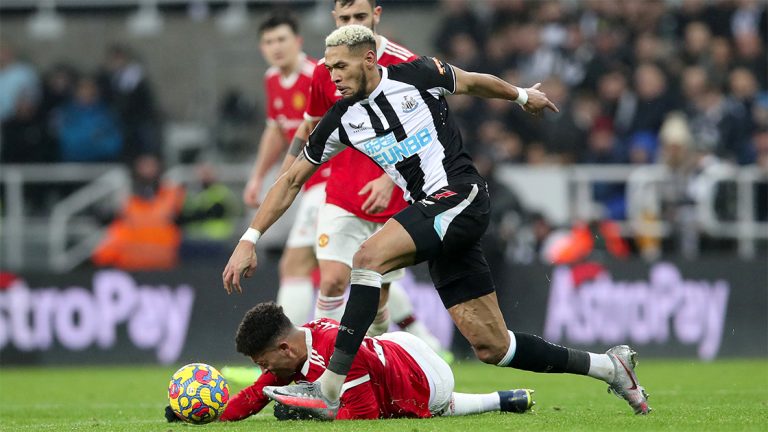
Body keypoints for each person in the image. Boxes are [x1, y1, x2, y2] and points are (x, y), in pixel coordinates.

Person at [222, 25, 651, 419]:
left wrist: (521, 96)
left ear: (369, 59)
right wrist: (250, 237)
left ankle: (330, 386)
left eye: (341, 65)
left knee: (367, 256)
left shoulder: (415, 73)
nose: (332, 75)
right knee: (492, 346)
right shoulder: (340, 119)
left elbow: (472, 81)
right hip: (436, 219)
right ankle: (609, 368)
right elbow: (292, 178)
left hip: (460, 194)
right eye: (329, 67)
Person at [282, 0, 443, 347]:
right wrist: (286, 174)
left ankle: (386, 338)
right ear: (334, 19)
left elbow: (428, 129)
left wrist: (389, 178)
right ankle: (318, 361)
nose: (352, 22)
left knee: (377, 309)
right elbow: (310, 125)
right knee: (332, 282)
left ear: (377, 15)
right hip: (340, 192)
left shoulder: (404, 63)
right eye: (345, 18)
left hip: (393, 197)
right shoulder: (327, 70)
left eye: (360, 16)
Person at [166, 302, 534, 422]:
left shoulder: (336, 354)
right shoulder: (297, 348)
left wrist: (308, 412)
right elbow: (257, 394)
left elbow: (364, 417)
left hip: (429, 374)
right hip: (396, 347)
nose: (265, 373)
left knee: (426, 405)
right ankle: (505, 399)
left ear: (284, 348)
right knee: (324, 395)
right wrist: (204, 414)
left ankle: (496, 399)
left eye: (264, 363)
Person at [241, 13, 328, 324]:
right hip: (311, 185)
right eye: (268, 41)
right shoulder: (272, 79)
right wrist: (258, 177)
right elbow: (277, 131)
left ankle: (283, 345)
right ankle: (421, 335)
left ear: (298, 41)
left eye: (281, 39)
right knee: (360, 266)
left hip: (331, 184)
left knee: (294, 265)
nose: (275, 47)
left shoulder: (318, 74)